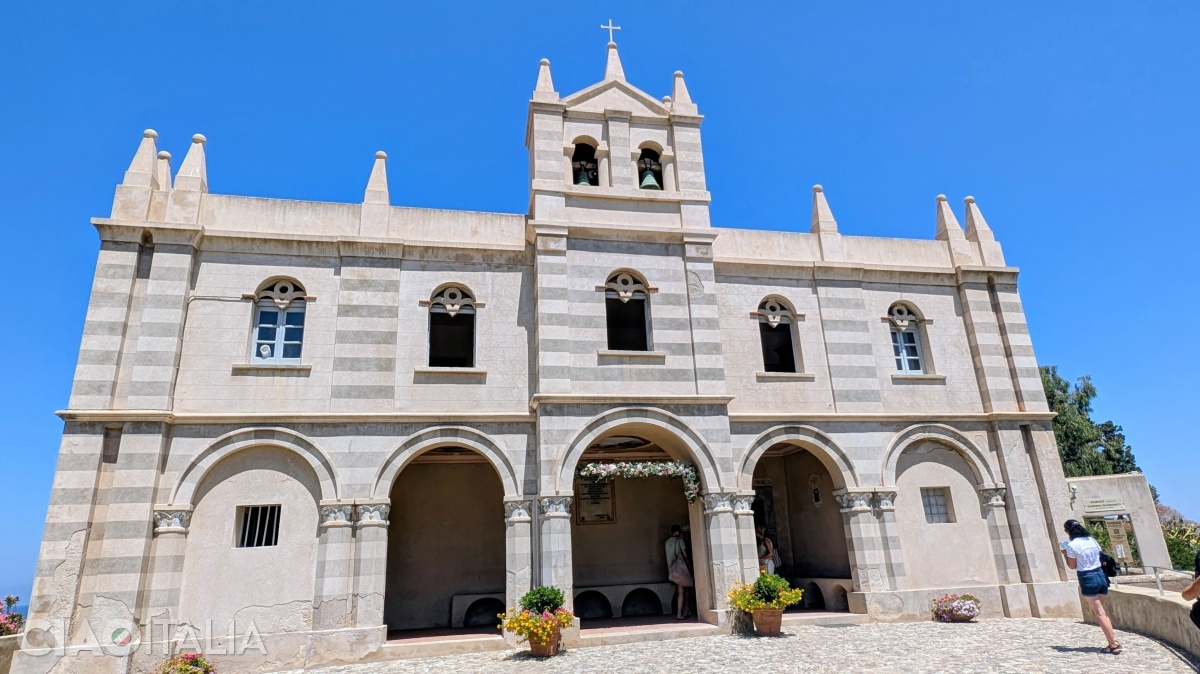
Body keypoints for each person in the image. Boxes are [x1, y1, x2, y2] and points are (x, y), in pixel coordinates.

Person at [1060, 519, 1121, 654]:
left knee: (1099, 613)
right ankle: (1112, 641)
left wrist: (1065, 554)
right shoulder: (1092, 540)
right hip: (1101, 575)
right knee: (1102, 612)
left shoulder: (1072, 545)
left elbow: (1072, 566)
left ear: (1069, 531)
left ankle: (1113, 644)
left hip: (1087, 576)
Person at [665, 524, 692, 620]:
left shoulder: (667, 542)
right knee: (682, 591)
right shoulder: (680, 541)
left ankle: (685, 609)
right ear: (679, 531)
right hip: (680, 570)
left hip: (671, 570)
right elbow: (684, 554)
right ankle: (680, 613)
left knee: (679, 591)